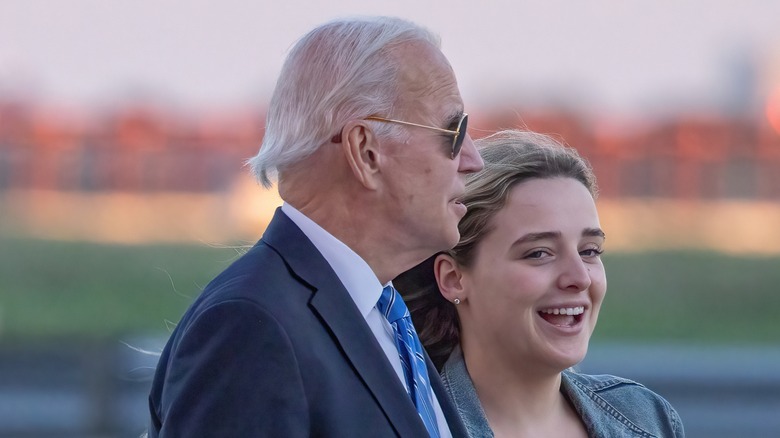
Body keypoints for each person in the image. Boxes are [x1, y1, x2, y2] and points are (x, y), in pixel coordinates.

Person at [147, 16, 484, 437]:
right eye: (454, 132)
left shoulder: (381, 313)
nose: (474, 159)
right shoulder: (253, 327)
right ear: (366, 151)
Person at [395, 130, 685, 437]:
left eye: (589, 251)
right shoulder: (406, 426)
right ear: (453, 279)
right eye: (539, 253)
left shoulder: (646, 419)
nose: (579, 278)